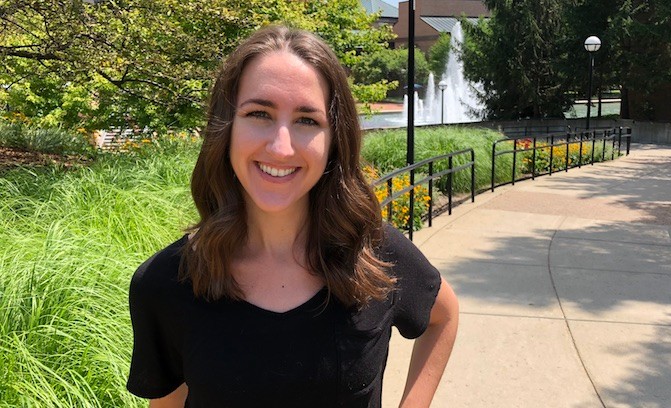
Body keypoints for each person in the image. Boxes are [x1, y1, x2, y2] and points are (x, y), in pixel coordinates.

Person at [127, 25, 458, 408]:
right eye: (259, 113)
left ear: (334, 141)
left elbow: (444, 316)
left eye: (307, 120)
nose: (281, 148)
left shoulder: (374, 254)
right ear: (226, 127)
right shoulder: (167, 283)